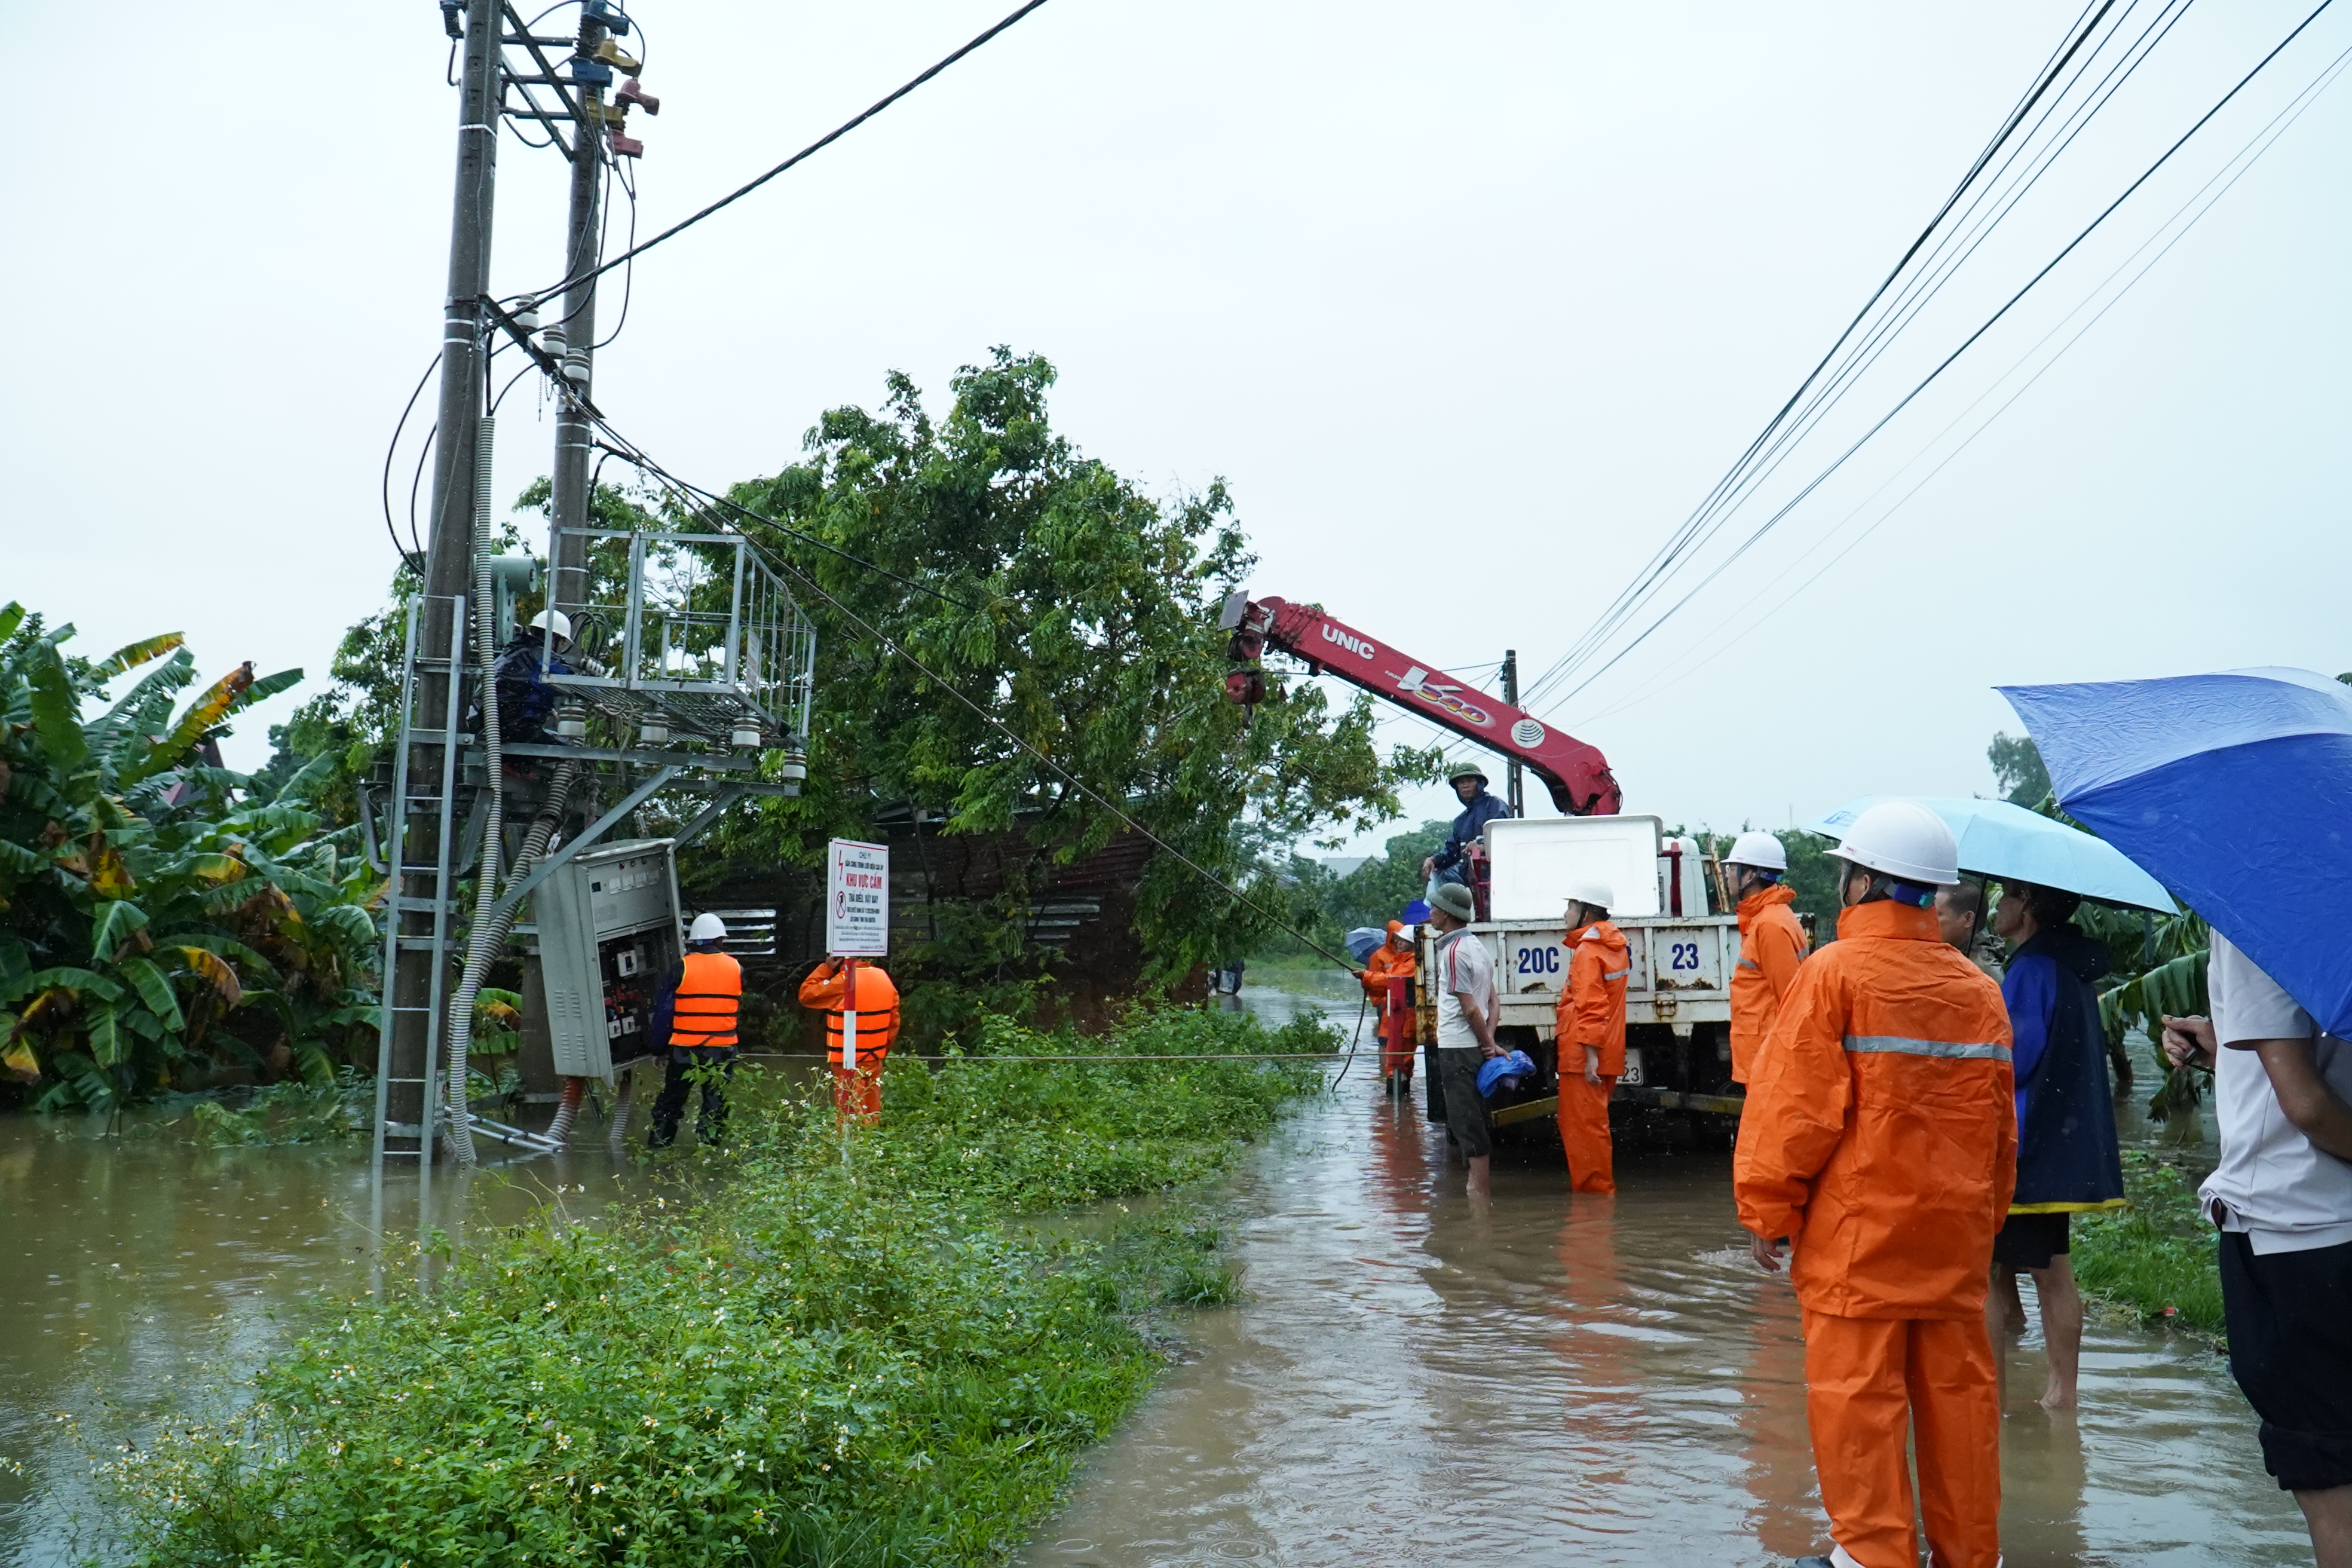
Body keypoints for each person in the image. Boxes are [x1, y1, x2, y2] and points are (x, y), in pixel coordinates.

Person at [1734, 800, 2013, 1568]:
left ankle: (1873, 1556)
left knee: (1858, 1406)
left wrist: (1767, 1209)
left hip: (1857, 1247)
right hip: (1953, 1245)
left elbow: (1794, 1111)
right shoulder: (1981, 990)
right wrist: (1982, 1224)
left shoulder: (1834, 973)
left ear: (1862, 882)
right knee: (1960, 1407)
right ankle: (1970, 1556)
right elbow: (1999, 1134)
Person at [2164, 932, 2352, 1565]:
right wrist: (2237, 1052)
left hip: (2297, 1228)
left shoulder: (2259, 906)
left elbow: (2306, 1103)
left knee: (2334, 1486)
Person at [1984, 879, 2123, 1410]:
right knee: (2050, 1266)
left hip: (2027, 1142)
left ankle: (1998, 1398)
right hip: (2059, 1140)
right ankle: (2060, 1392)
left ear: (2028, 907)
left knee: (2006, 1273)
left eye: (2007, 897)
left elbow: (2011, 1060)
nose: (1997, 906)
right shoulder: (2069, 965)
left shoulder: (2031, 970)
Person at [1425, 880, 1503, 1195]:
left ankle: (1478, 1189)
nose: (1430, 914)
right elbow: (1493, 1003)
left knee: (1465, 1120)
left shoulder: (1454, 952)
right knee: (1473, 1116)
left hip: (1458, 1047)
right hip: (1472, 1045)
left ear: (1446, 914)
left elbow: (1471, 1009)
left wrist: (1487, 1044)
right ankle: (1478, 1189)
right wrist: (1491, 1040)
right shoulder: (1478, 947)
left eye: (1434, 908)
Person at [1554, 878, 1627, 1195]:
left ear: (1586, 913)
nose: (1566, 913)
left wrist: (1589, 1058)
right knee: (1594, 1129)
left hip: (1582, 1055)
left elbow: (1592, 1006)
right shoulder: (1615, 947)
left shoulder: (1588, 951)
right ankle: (1597, 1202)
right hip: (1603, 1051)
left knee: (1582, 1132)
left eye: (1571, 906)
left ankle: (1594, 1208)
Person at [647, 912, 742, 1149]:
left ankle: (659, 1149)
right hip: (721, 1049)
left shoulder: (681, 968)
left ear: (694, 941)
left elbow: (664, 1013)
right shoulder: (736, 968)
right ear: (720, 940)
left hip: (684, 1050)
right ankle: (708, 1154)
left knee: (671, 1102)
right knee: (715, 1103)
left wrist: (657, 1049)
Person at [1726, 830, 1808, 1088]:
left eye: (1732, 868)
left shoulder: (1770, 925)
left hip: (1770, 1061)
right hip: (1765, 1057)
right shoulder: (1767, 918)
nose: (1727, 874)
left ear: (1750, 875)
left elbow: (1790, 1002)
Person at [799, 955, 902, 1122]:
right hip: (874, 1058)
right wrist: (880, 1052)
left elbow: (807, 994)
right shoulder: (883, 977)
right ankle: (871, 1145)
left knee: (849, 1116)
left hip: (848, 1063)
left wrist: (826, 968)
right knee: (871, 1113)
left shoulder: (844, 981)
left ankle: (849, 1147)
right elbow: (893, 1022)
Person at [1420, 763, 1513, 893]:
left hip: (1497, 876)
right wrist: (1433, 859)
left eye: (1470, 780)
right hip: (1472, 879)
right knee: (1443, 875)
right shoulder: (1461, 821)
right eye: (1461, 782)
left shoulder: (1494, 805)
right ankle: (1455, 911)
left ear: (1480, 784)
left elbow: (1505, 838)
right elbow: (1451, 852)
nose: (1465, 785)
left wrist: (1483, 847)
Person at [491, 610, 575, 745]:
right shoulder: (540, 658)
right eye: (563, 643)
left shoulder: (514, 651)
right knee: (569, 749)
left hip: (494, 724)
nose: (561, 649)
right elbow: (571, 681)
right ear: (554, 639)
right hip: (513, 728)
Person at [1359, 920, 1419, 1097]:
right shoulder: (1397, 960)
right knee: (1393, 1058)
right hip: (1393, 1014)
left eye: (1402, 940)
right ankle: (1400, 1106)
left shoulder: (1411, 962)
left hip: (1405, 1019)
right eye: (1397, 939)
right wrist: (1368, 983)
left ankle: (1397, 1104)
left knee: (1400, 1061)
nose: (1398, 943)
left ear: (1412, 944)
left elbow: (1391, 980)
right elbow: (1385, 982)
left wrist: (1365, 976)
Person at [1936, 880, 2004, 982]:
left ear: (1968, 919)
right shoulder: (1949, 950)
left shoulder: (1984, 972)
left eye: (1938, 914)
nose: (1928, 920)